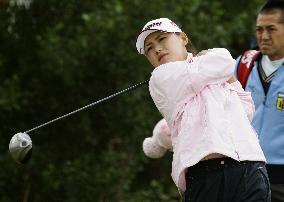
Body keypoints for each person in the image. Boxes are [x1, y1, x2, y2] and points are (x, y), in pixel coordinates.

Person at [136, 17, 270, 202]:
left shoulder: (207, 68)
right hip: (205, 176)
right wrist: (220, 70)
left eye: (162, 38)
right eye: (149, 48)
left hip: (250, 168)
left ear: (183, 38)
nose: (157, 48)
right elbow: (224, 61)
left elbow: (246, 110)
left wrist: (228, 77)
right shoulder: (159, 79)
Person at [235, 1, 284, 201]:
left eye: (271, 29)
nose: (263, 36)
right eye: (259, 29)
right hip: (244, 174)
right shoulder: (242, 66)